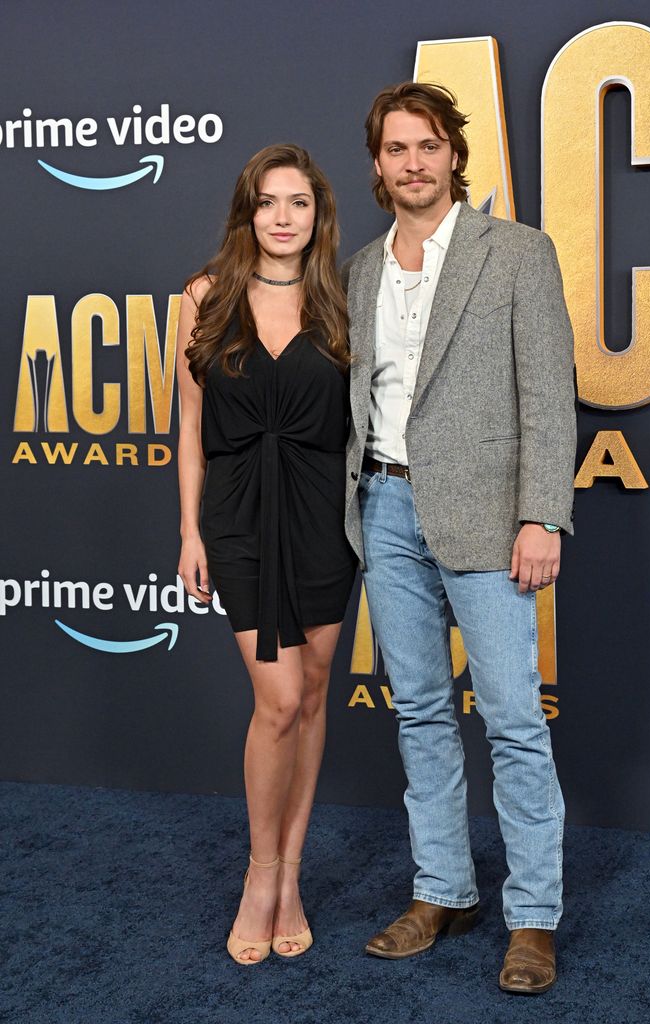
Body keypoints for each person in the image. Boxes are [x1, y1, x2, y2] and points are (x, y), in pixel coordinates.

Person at [341, 82, 576, 993]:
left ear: (452, 153)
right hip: (387, 514)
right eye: (396, 149)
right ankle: (443, 889)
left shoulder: (515, 252)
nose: (413, 163)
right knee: (423, 717)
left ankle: (533, 917)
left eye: (428, 146)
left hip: (488, 517)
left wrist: (541, 514)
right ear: (378, 165)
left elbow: (549, 397)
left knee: (515, 722)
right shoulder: (361, 270)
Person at [176, 144, 356, 965]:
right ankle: (260, 871)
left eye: (299, 203)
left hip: (324, 516)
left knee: (314, 696)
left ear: (319, 215)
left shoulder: (343, 301)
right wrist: (189, 532)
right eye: (268, 202)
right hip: (240, 518)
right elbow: (188, 430)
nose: (283, 217)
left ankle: (292, 877)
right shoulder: (206, 298)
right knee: (277, 700)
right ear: (246, 213)